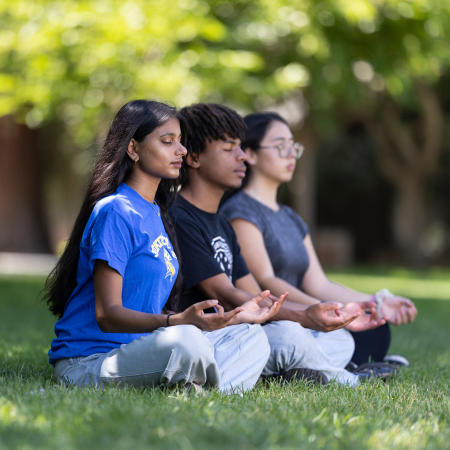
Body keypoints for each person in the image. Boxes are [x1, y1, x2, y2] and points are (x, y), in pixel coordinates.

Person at [43, 100, 276, 395]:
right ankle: (204, 388)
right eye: (168, 142)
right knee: (186, 341)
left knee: (249, 336)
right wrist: (176, 322)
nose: (181, 150)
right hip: (90, 361)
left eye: (181, 142)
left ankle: (197, 391)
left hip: (142, 350)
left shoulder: (156, 213)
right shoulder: (116, 211)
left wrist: (227, 318)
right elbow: (107, 313)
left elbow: (149, 305)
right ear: (133, 149)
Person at [169, 102, 388, 386]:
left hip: (244, 332)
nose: (242, 157)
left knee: (332, 338)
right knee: (290, 334)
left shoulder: (220, 222)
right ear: (194, 157)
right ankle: (347, 380)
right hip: (215, 337)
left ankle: (287, 373)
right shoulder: (179, 216)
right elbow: (228, 294)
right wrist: (303, 317)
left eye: (241, 147)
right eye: (229, 149)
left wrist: (317, 315)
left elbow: (255, 294)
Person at [220, 111, 418, 368]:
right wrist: (326, 310)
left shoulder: (291, 217)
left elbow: (319, 283)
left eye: (293, 146)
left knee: (375, 327)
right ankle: (345, 365)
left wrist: (374, 302)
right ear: (251, 153)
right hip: (280, 320)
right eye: (281, 146)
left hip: (308, 315)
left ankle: (351, 362)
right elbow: (266, 280)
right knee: (339, 330)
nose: (291, 154)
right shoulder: (241, 212)